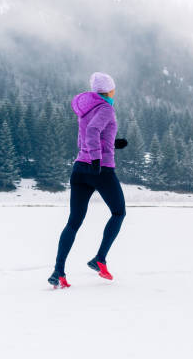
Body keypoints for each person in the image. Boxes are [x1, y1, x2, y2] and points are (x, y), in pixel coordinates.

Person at [48, 72, 128, 289]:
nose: (115, 92)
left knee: (73, 222)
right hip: (100, 170)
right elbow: (93, 131)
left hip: (79, 169)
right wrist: (96, 159)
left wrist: (112, 144)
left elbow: (85, 136)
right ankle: (99, 259)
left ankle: (58, 272)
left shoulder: (86, 108)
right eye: (113, 89)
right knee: (119, 212)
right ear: (109, 91)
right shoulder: (106, 108)